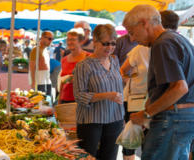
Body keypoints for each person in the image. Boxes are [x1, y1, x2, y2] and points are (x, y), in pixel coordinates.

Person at [125, 6, 194, 159]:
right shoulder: (177, 39)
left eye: (132, 32)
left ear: (144, 23)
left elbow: (179, 88)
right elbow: (167, 87)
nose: (133, 39)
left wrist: (146, 114)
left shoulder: (162, 43)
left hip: (173, 117)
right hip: (184, 117)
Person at [72, 24, 124, 160]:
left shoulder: (115, 61)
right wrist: (107, 95)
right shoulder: (84, 66)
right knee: (88, 157)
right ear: (95, 41)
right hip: (91, 121)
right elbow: (79, 95)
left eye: (113, 43)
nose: (110, 47)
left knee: (110, 157)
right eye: (105, 43)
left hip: (114, 118)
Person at [59, 28, 90, 104]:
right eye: (68, 39)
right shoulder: (64, 59)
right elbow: (62, 83)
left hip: (82, 100)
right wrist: (59, 102)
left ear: (81, 41)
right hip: (65, 100)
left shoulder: (89, 58)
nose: (69, 42)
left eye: (73, 39)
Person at [29, 31, 53, 96]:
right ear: (42, 38)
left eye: (52, 39)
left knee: (47, 101)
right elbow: (32, 66)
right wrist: (33, 81)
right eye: (49, 39)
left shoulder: (46, 50)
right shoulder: (36, 50)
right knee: (40, 102)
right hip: (39, 81)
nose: (51, 41)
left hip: (46, 81)